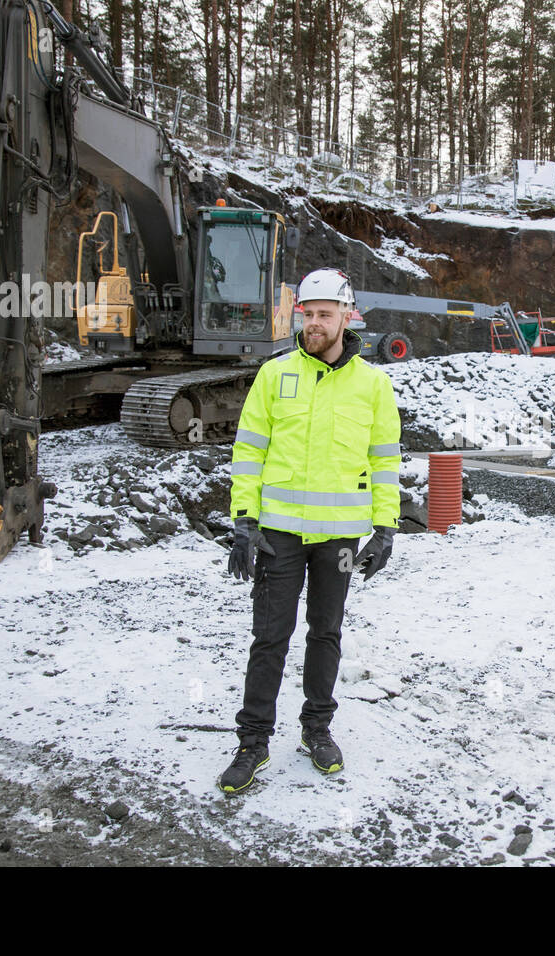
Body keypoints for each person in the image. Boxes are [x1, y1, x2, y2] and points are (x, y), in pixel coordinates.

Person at [218, 267, 402, 793]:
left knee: (326, 633)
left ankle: (317, 729)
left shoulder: (373, 385)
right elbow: (249, 452)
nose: (315, 323)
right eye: (309, 314)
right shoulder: (275, 375)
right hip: (277, 534)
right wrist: (243, 520)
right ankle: (252, 742)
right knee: (269, 637)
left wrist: (385, 528)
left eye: (325, 314)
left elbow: (385, 460)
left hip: (340, 539)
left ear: (347, 316)